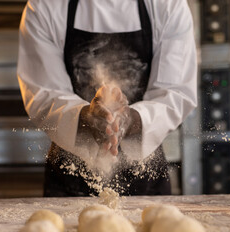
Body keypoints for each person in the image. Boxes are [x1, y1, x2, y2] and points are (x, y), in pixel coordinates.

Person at [17, 0, 197, 197]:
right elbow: (44, 93)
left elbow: (175, 93)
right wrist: (86, 118)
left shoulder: (168, 5)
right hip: (69, 176)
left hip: (146, 176)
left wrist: (129, 121)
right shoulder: (45, 6)